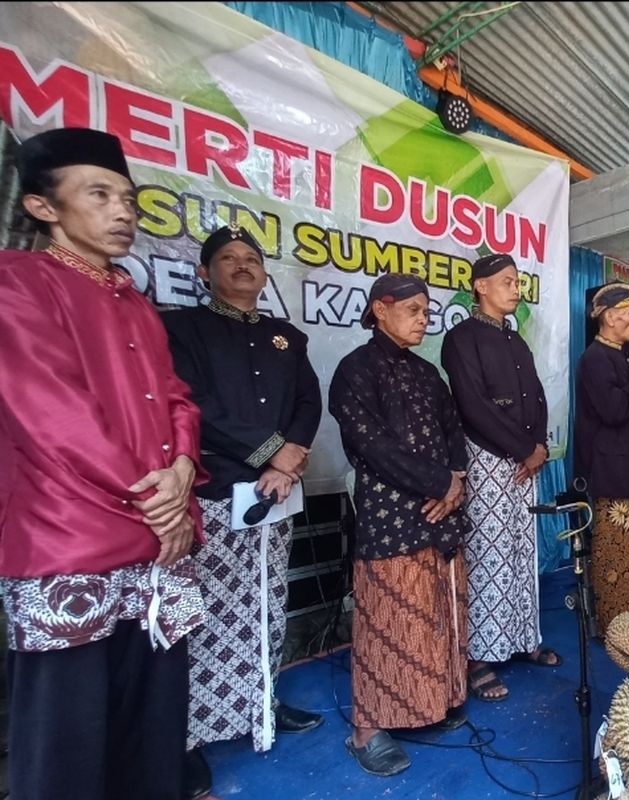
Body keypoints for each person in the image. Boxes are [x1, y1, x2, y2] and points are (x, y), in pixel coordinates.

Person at [0, 127, 206, 799]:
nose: (123, 211)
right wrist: (159, 499)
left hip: (156, 540)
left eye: (128, 197)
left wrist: (180, 472)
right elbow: (51, 410)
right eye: (100, 194)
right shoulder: (18, 282)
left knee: (152, 720)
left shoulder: (134, 300)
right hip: (71, 540)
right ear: (43, 207)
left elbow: (176, 398)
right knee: (68, 735)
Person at [160, 224, 324, 797]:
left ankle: (262, 704)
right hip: (213, 489)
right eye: (227, 258)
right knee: (205, 614)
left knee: (266, 600)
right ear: (204, 273)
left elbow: (308, 399)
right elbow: (191, 404)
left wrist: (288, 459)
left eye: (251, 258)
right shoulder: (182, 327)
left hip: (276, 491)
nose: (242, 265)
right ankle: (191, 736)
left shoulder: (286, 337)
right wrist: (268, 451)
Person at [329, 273, 470, 777]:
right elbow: (371, 445)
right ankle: (367, 729)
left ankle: (430, 703)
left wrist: (454, 481)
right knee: (388, 620)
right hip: (391, 515)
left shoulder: (428, 374)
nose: (423, 319)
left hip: (440, 513)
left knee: (435, 614)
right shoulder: (354, 371)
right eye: (413, 310)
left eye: (427, 312)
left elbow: (454, 432)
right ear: (379, 309)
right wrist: (439, 482)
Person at [441, 253, 559, 704]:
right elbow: (472, 405)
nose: (516, 289)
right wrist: (522, 448)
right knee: (489, 552)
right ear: (480, 286)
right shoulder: (461, 338)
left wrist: (540, 446)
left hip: (525, 461)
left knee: (521, 550)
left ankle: (523, 637)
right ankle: (481, 658)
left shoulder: (515, 340)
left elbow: (538, 396)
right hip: (488, 457)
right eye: (507, 282)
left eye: (518, 282)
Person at [574, 283, 629, 634]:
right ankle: (616, 627)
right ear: (608, 317)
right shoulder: (595, 358)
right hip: (611, 473)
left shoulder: (618, 355)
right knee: (617, 556)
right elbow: (614, 410)